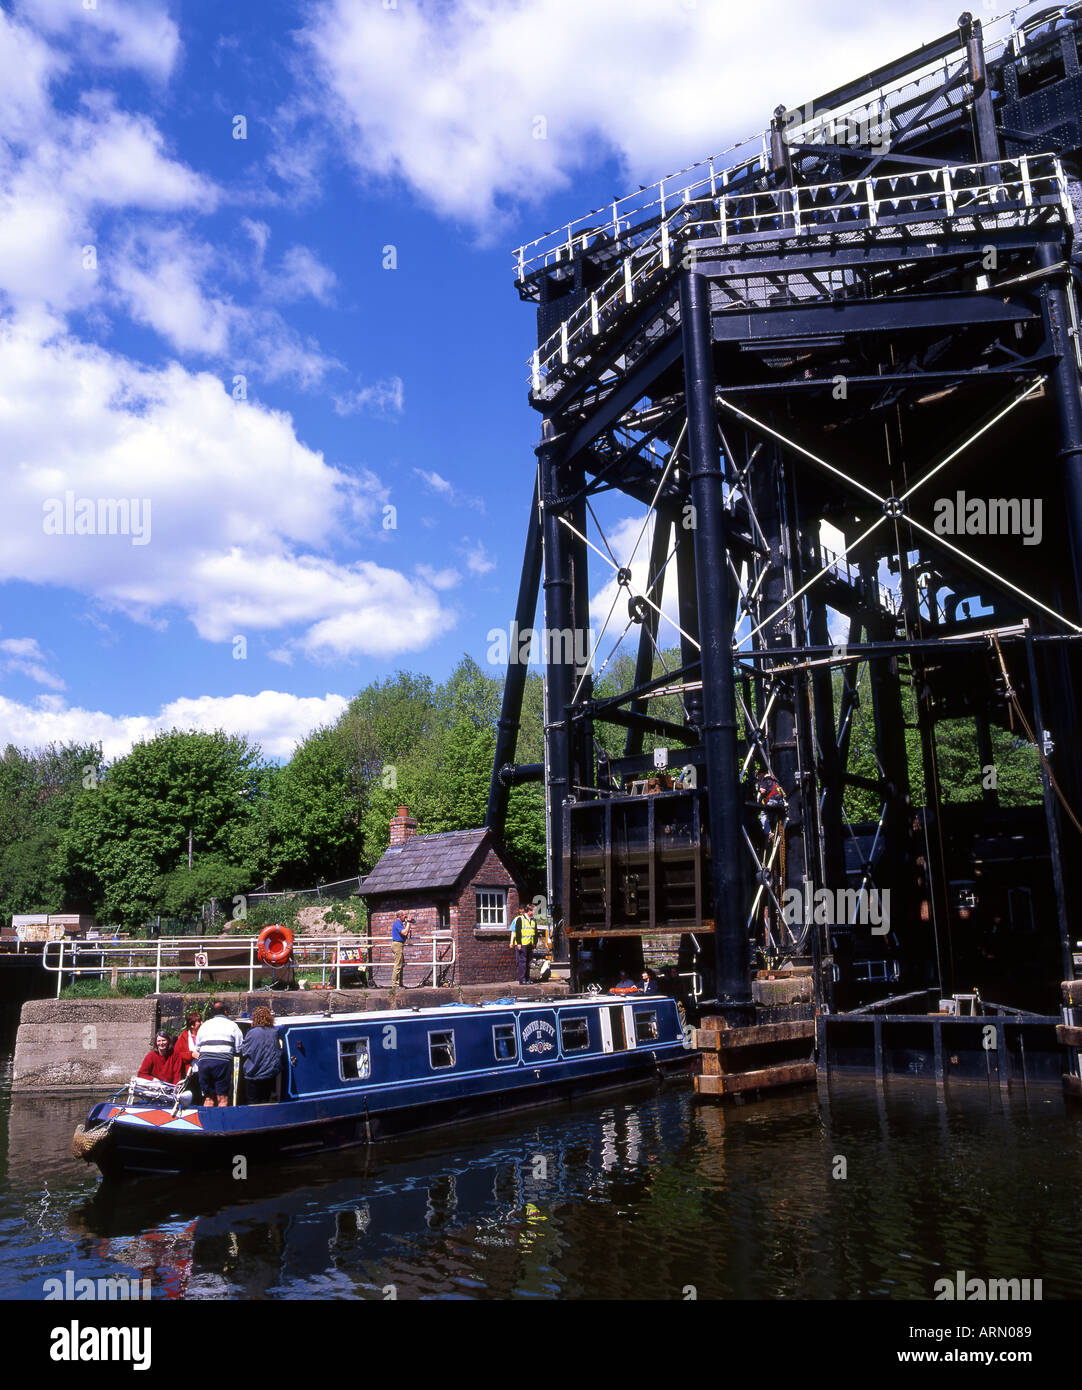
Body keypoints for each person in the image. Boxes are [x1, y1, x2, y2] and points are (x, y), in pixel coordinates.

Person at [194, 1001, 244, 1107]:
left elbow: (197, 1047)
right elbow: (239, 1048)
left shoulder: (205, 1025)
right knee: (222, 1098)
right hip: (222, 1063)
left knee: (208, 1097)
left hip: (204, 1063)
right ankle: (221, 1122)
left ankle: (207, 1122)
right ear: (226, 1012)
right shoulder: (233, 1025)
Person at [240, 1005, 281, 1104]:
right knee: (265, 1100)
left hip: (253, 1074)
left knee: (253, 1102)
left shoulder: (251, 1033)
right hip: (269, 1074)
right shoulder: (274, 1032)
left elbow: (244, 1051)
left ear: (254, 1018)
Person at [509, 902, 538, 984]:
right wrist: (518, 943)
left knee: (528, 962)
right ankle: (522, 980)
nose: (534, 913)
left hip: (530, 944)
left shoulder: (533, 920)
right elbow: (517, 932)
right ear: (529, 911)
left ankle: (527, 978)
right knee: (522, 962)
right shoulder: (520, 919)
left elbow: (535, 932)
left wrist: (534, 944)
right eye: (533, 911)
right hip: (522, 944)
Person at [173, 1010, 201, 1077]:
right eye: (199, 1021)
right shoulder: (184, 1036)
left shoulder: (204, 1035)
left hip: (204, 1069)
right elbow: (176, 1054)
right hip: (190, 1071)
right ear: (192, 1025)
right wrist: (191, 1055)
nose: (201, 1023)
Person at [391, 913, 412, 988]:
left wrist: (407, 924)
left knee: (400, 964)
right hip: (397, 945)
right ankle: (395, 985)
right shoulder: (397, 923)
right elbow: (405, 932)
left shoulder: (400, 923)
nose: (405, 917)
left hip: (399, 945)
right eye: (404, 916)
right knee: (398, 965)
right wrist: (408, 922)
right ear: (400, 916)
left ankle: (399, 983)